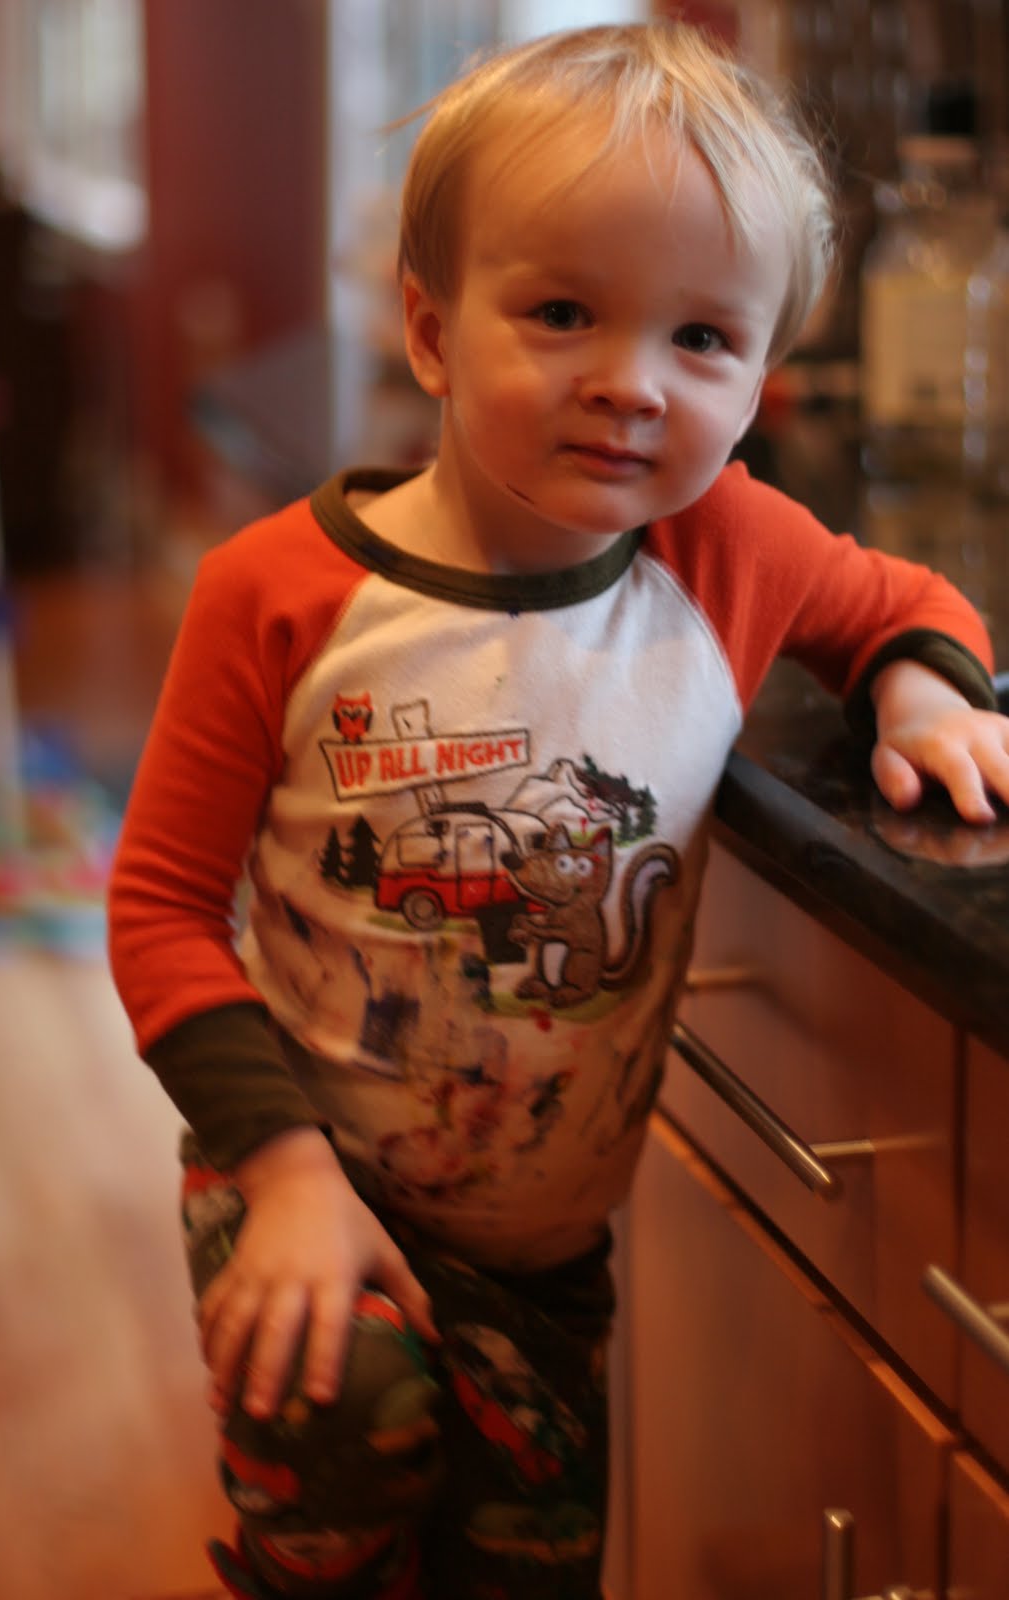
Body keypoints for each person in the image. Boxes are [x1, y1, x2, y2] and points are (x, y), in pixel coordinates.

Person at [108, 21, 1009, 1600]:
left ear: (760, 382)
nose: (630, 384)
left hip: (548, 1250)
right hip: (301, 1178)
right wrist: (285, 1171)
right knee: (342, 1440)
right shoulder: (277, 593)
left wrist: (926, 697)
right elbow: (160, 910)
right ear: (432, 330)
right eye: (564, 313)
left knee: (527, 1561)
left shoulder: (730, 553)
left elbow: (903, 602)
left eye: (701, 339)